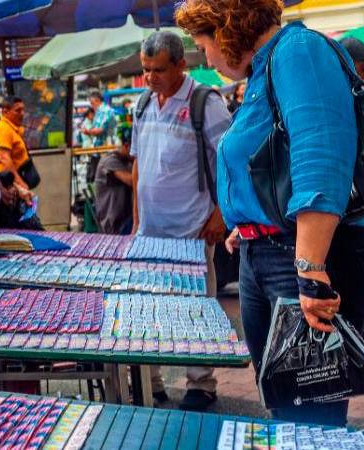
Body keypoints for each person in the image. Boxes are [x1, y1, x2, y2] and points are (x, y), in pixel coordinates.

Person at [176, 0, 364, 426]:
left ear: (226, 29)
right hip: (266, 251)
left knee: (310, 418)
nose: (206, 57)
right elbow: (271, 162)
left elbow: (321, 157)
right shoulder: (265, 70)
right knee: (287, 408)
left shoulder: (297, 51)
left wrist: (309, 267)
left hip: (304, 256)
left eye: (203, 45)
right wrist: (248, 223)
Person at [128, 30, 234, 411]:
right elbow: (138, 164)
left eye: (158, 70)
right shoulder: (142, 103)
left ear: (180, 65)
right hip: (150, 231)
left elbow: (228, 161)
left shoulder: (206, 102)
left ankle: (201, 383)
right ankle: (149, 381)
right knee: (146, 308)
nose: (150, 77)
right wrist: (137, 222)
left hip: (192, 229)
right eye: (145, 70)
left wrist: (221, 213)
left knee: (197, 308)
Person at [0, 96, 38, 190]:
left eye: (23, 110)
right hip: (13, 187)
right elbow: (3, 158)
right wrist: (20, 184)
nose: (22, 114)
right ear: (5, 112)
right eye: (18, 110)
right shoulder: (3, 129)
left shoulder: (12, 128)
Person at [94, 128, 135, 234]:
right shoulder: (109, 161)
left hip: (125, 218)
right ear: (127, 146)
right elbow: (132, 181)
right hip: (114, 223)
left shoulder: (127, 161)